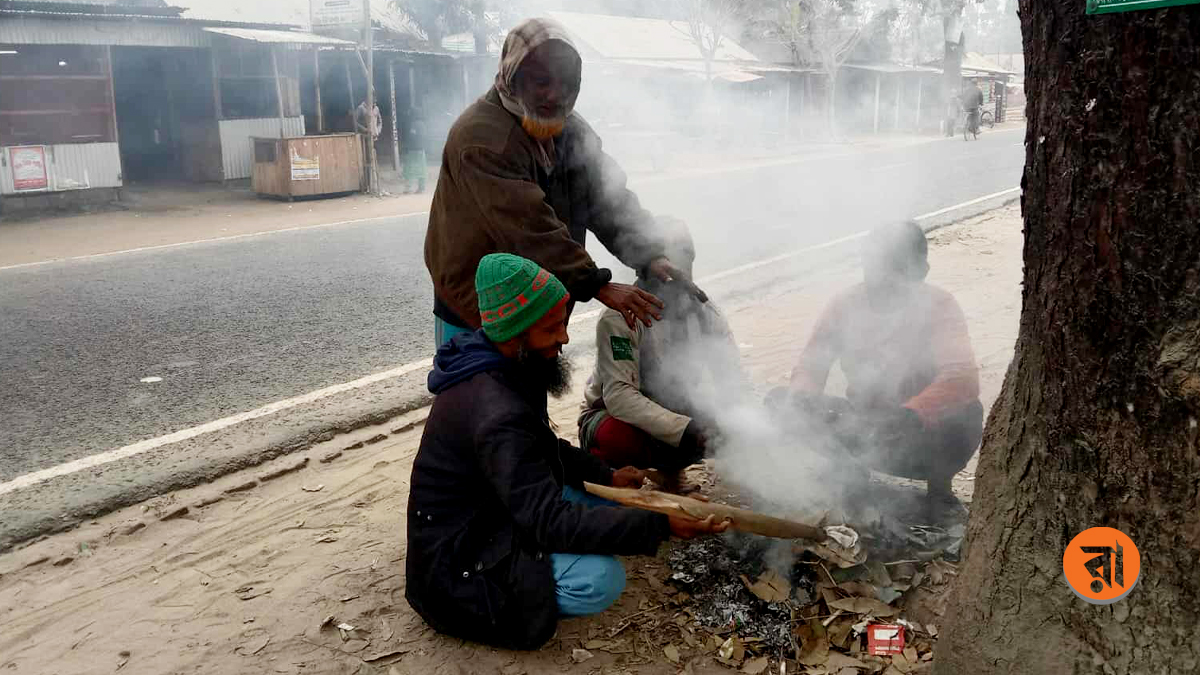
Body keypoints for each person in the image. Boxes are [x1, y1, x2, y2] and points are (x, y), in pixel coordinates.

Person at [406, 253, 729, 650]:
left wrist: (605, 475)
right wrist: (661, 525)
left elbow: (539, 446)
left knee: (609, 508)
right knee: (601, 581)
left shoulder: (500, 365)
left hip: (497, 507)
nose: (563, 338)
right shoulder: (495, 410)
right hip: (461, 557)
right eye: (551, 328)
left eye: (562, 323)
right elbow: (547, 521)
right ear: (514, 332)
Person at [424, 17, 702, 349]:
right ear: (514, 77)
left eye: (567, 84)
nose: (555, 95)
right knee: (482, 397)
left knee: (528, 398)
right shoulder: (482, 139)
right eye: (541, 81)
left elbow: (607, 198)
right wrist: (596, 284)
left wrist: (651, 254)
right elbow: (528, 228)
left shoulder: (568, 128)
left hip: (538, 306)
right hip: (478, 307)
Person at [776, 221, 983, 509]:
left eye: (894, 269)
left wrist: (911, 414)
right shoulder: (845, 304)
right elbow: (812, 363)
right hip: (864, 421)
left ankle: (939, 489)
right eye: (874, 266)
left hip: (918, 430)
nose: (882, 279)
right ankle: (850, 472)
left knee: (967, 413)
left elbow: (961, 378)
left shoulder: (939, 305)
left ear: (920, 272)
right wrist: (803, 396)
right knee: (780, 402)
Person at [578, 223, 746, 487]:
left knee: (736, 425)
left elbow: (732, 381)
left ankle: (671, 472)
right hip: (618, 419)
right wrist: (687, 430)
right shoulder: (620, 317)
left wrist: (743, 425)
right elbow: (619, 397)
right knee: (616, 437)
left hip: (677, 414)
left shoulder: (706, 312)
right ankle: (617, 479)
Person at [400, 107, 427, 194]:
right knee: (422, 169)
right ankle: (421, 188)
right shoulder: (423, 124)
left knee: (409, 169)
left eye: (411, 114)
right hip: (421, 150)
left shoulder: (414, 124)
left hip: (413, 150)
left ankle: (408, 188)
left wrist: (406, 147)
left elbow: (412, 137)